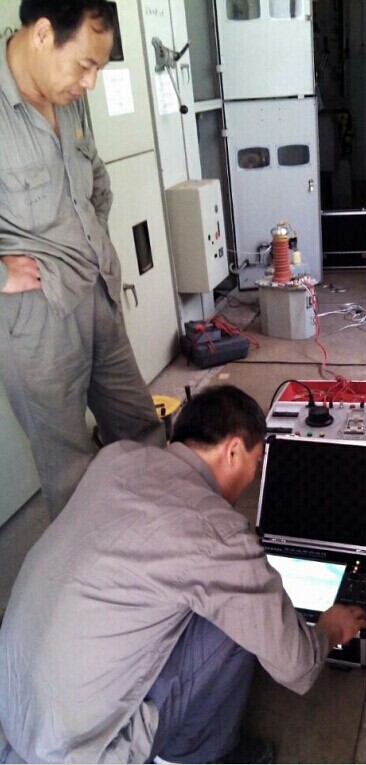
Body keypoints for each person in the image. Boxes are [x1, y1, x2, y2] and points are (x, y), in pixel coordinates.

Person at [0, 384, 366, 764]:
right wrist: (329, 631)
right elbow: (297, 663)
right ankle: (197, 755)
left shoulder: (117, 458)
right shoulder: (217, 533)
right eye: (256, 462)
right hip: (87, 751)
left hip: (13, 709)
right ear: (233, 451)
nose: (253, 478)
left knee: (206, 590)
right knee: (241, 615)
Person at [0, 0, 165, 520]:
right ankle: (97, 568)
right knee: (70, 472)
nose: (90, 82)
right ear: (43, 34)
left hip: (98, 293)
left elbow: (95, 181)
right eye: (85, 65)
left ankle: (163, 541)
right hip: (40, 318)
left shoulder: (65, 96)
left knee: (142, 431)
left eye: (99, 68)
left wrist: (93, 243)